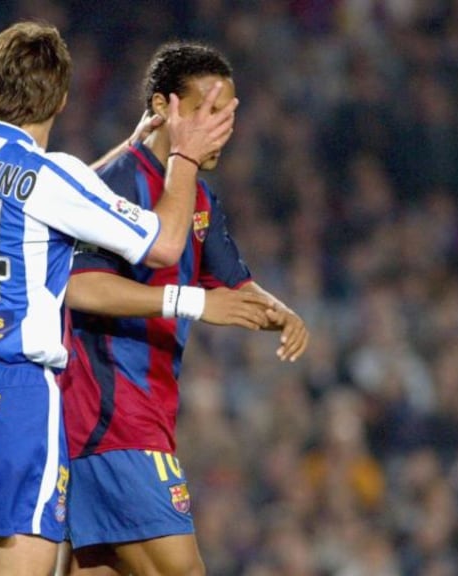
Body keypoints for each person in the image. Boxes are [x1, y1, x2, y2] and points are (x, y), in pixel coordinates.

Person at [0, 21, 237, 576]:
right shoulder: (52, 175)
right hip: (9, 397)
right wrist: (182, 157)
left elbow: (32, 199)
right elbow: (165, 245)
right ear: (63, 98)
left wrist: (129, 145)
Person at [60, 42, 309, 576]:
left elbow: (237, 287)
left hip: (140, 420)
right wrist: (193, 302)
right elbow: (81, 288)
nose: (224, 127)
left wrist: (280, 311)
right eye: (210, 111)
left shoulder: (198, 197)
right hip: (112, 421)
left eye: (230, 114)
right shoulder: (117, 184)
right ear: (162, 108)